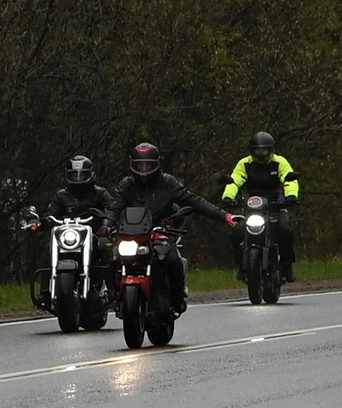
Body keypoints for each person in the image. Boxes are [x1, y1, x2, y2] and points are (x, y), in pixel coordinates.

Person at [114, 142, 235, 315]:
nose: (143, 169)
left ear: (156, 164)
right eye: (139, 165)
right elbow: (115, 208)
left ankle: (178, 297)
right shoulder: (126, 185)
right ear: (132, 165)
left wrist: (224, 216)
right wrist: (106, 226)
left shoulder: (168, 183)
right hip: (133, 234)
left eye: (147, 165)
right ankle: (115, 295)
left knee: (171, 260)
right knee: (112, 257)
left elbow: (194, 201)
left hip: (161, 232)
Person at [220, 131, 301, 280]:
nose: (261, 153)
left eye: (264, 149)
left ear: (271, 149)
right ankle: (240, 266)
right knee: (236, 233)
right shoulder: (244, 163)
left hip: (276, 205)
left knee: (284, 230)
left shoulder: (280, 162)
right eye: (258, 149)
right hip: (251, 206)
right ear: (252, 150)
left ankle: (287, 265)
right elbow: (235, 180)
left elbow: (289, 179)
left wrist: (291, 196)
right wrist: (228, 197)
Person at [39, 155, 121, 226]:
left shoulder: (100, 193)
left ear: (89, 174)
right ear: (69, 175)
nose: (78, 179)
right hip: (67, 234)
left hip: (94, 234)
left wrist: (106, 222)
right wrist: (41, 222)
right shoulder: (61, 195)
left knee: (105, 242)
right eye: (75, 175)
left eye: (81, 175)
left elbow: (112, 210)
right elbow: (51, 214)